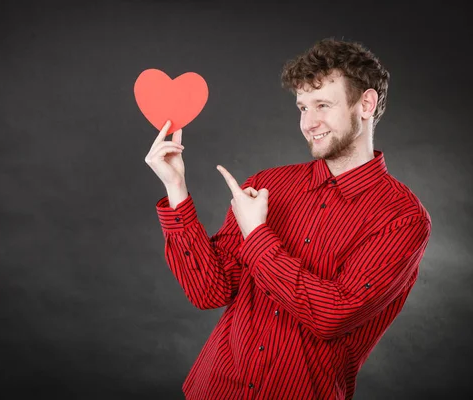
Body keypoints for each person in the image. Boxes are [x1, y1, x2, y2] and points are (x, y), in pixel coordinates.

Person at [144, 38, 431, 400]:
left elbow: (332, 316)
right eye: (302, 108)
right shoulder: (267, 184)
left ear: (366, 104)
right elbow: (209, 291)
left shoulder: (402, 218)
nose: (309, 123)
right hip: (213, 389)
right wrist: (177, 190)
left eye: (322, 105)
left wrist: (258, 235)